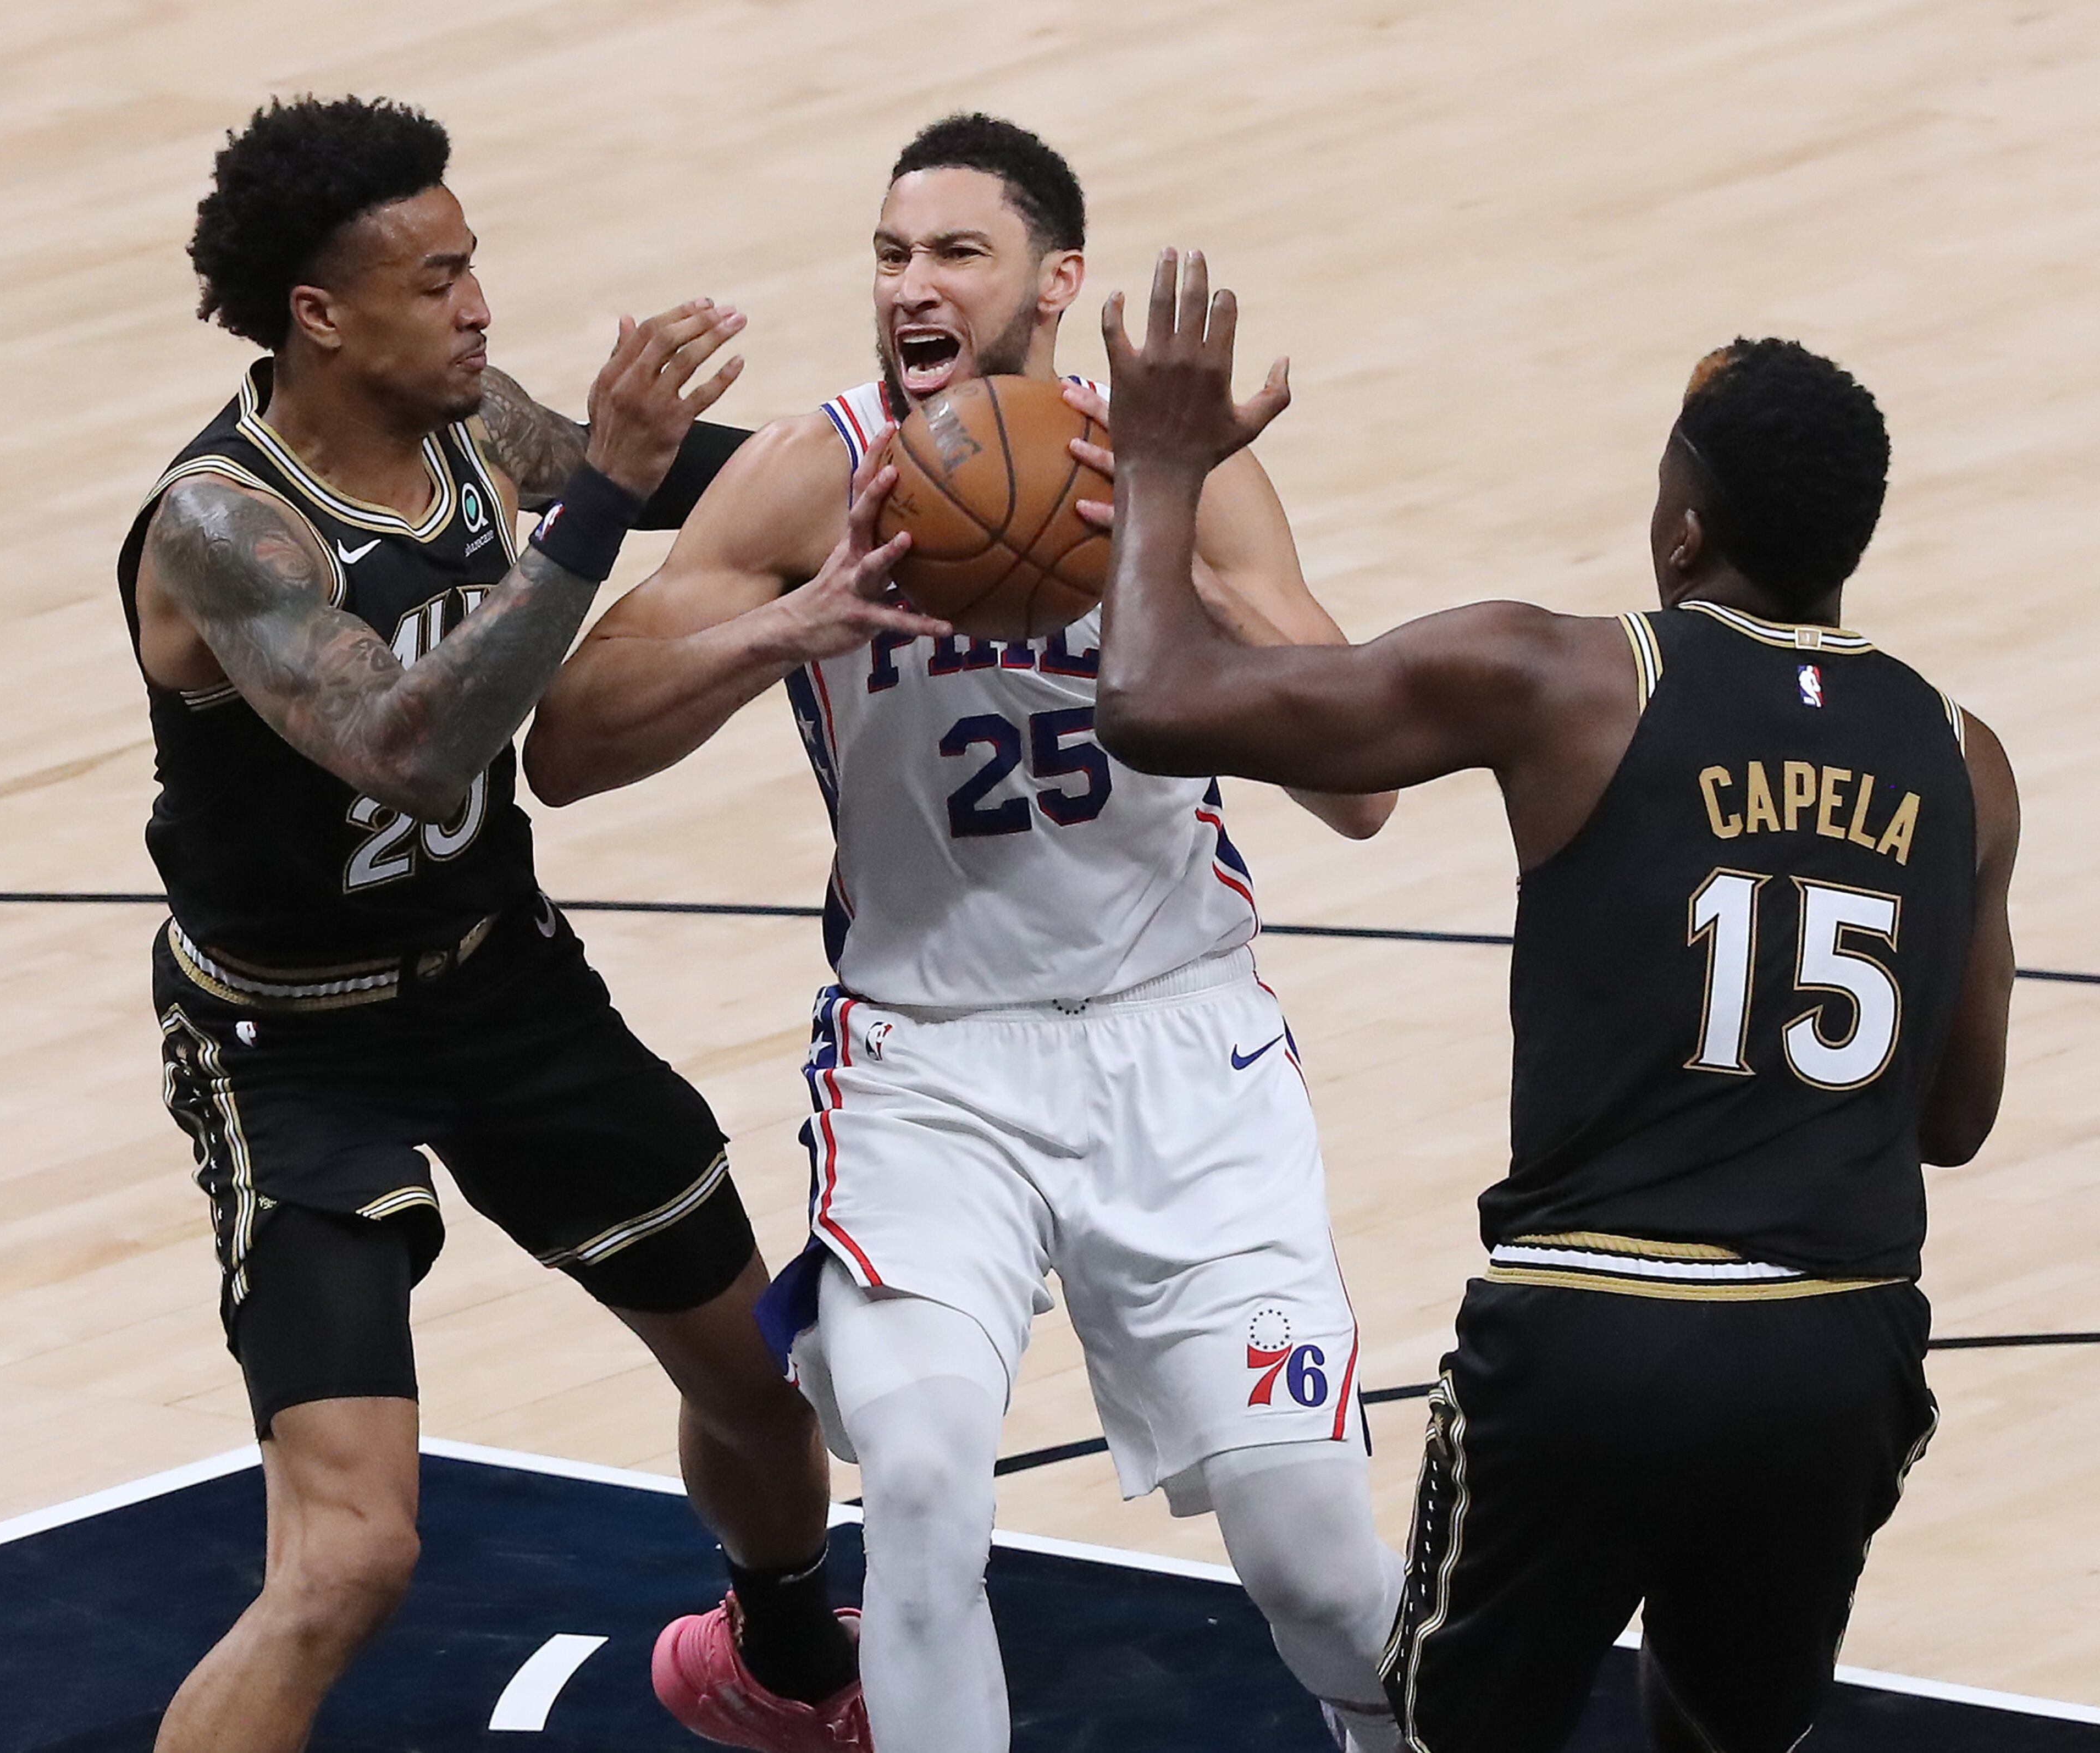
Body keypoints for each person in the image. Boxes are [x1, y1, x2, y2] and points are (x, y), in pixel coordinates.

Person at [525, 116, 1407, 1753]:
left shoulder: (1174, 467)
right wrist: (788, 624)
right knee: (923, 1491)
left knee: (1320, 1568)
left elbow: (1363, 790)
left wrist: (1160, 522)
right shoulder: (820, 471)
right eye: (888, 253)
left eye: (954, 254)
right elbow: (565, 749)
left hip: (1186, 1050)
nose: (909, 287)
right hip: (929, 1068)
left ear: (1059, 284)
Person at [1091, 251, 2019, 1753]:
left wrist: (1158, 472)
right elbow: (1961, 1118)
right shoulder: (1964, 755)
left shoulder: (1567, 675)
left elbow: (1143, 700)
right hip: (1834, 1345)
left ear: (1681, 529)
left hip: (1598, 1332)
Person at [121, 96, 921, 1753]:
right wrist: (600, 496)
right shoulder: (221, 528)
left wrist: (931, 459)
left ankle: (780, 1657)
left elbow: (714, 481)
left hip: (511, 995)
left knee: (764, 1386)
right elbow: (411, 747)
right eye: (438, 277)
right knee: (348, 1561)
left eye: (475, 264)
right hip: (297, 1048)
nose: (479, 305)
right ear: (320, 315)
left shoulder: (478, 426)